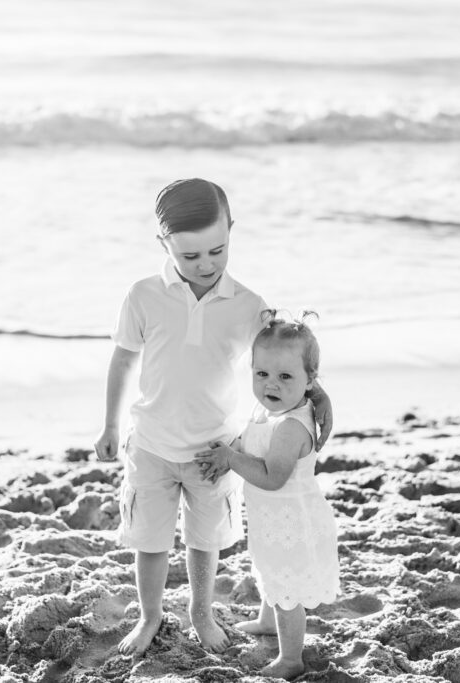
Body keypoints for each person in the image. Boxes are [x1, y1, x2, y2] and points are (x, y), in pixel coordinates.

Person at [93, 178, 333, 658]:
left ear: (231, 232)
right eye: (190, 256)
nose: (205, 265)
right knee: (151, 539)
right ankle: (150, 616)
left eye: (217, 251)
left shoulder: (247, 305)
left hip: (216, 451)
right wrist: (111, 425)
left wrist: (316, 396)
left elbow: (279, 365)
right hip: (152, 443)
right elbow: (123, 359)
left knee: (205, 541)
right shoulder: (143, 295)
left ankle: (201, 613)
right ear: (165, 245)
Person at [195, 314, 339, 681]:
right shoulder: (269, 409)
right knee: (269, 570)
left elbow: (273, 477)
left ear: (311, 381)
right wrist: (229, 450)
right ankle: (265, 620)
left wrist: (231, 459)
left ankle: (291, 659)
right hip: (270, 517)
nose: (271, 385)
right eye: (262, 375)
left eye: (285, 377)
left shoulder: (292, 426)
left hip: (291, 518)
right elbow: (248, 441)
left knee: (286, 587)